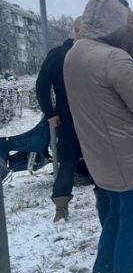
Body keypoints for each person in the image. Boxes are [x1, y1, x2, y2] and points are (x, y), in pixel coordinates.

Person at [64, 0, 133, 273]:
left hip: (99, 153)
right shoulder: (115, 59)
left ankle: (103, 267)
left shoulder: (75, 53)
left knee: (116, 218)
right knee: (131, 224)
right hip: (128, 158)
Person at [36, 18, 83, 221]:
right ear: (78, 30)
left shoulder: (59, 54)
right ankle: (61, 207)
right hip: (74, 117)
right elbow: (42, 85)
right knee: (69, 161)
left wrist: (52, 113)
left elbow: (41, 85)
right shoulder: (61, 55)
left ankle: (63, 206)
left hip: (75, 117)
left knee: (68, 161)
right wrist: (50, 113)